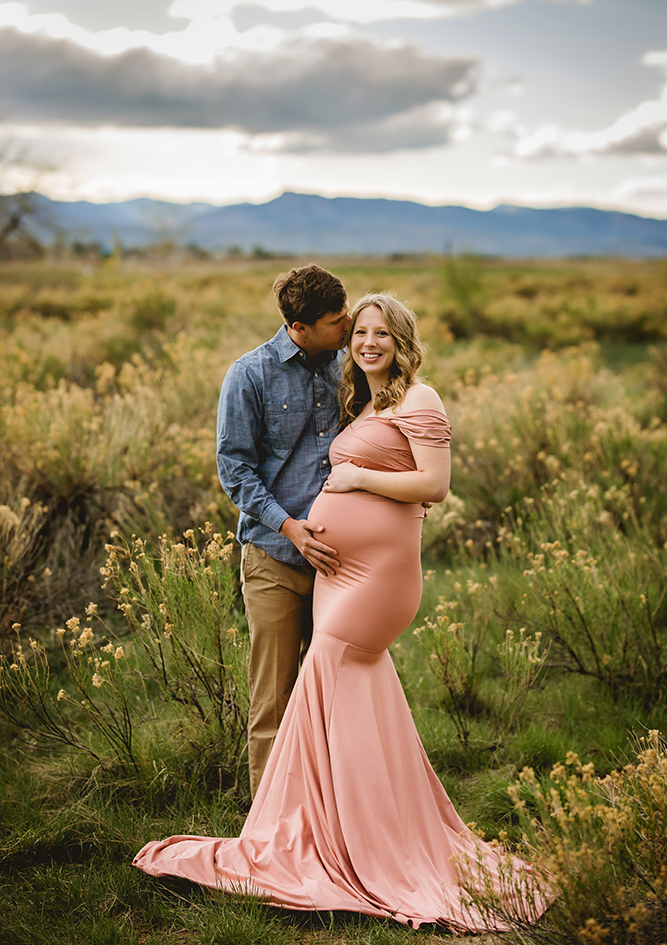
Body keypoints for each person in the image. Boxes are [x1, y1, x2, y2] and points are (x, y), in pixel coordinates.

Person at [134, 294, 549, 932]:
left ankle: (340, 842)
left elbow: (433, 485)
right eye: (360, 331)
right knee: (335, 698)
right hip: (323, 570)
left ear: (403, 339)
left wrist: (359, 484)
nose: (368, 341)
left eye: (382, 332)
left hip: (374, 581)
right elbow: (239, 464)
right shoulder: (354, 396)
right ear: (340, 336)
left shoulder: (420, 399)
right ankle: (339, 827)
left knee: (328, 669)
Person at [215, 264, 351, 798]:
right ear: (300, 325)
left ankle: (331, 813)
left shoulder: (349, 368)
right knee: (272, 699)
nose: (348, 327)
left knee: (337, 693)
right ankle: (270, 825)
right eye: (337, 321)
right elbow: (235, 471)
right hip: (274, 557)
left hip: (340, 562)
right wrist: (291, 529)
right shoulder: (248, 375)